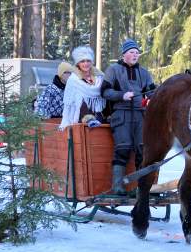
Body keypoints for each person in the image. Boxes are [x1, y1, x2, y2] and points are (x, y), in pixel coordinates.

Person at [101, 39, 155, 194]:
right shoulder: (113, 70)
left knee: (142, 151)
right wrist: (122, 95)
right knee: (123, 149)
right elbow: (104, 92)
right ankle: (117, 186)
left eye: (137, 53)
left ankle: (141, 188)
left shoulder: (144, 73)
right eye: (132, 52)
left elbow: (152, 91)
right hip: (121, 115)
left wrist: (152, 98)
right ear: (124, 54)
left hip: (140, 115)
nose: (135, 55)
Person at [59, 46, 106, 130]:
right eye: (82, 61)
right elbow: (68, 104)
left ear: (92, 62)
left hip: (98, 120)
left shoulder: (100, 77)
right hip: (79, 120)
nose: (86, 64)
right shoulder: (73, 80)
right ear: (78, 63)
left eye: (88, 61)